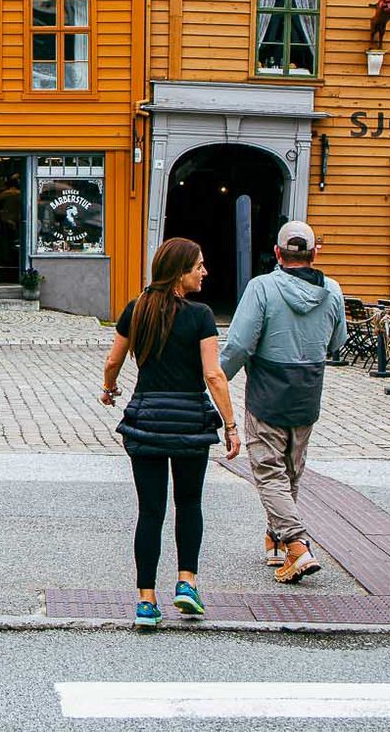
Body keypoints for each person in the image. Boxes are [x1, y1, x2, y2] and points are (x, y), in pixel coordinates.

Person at [103, 237, 240, 628]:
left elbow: (113, 361)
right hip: (189, 423)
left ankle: (146, 601)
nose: (204, 272)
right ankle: (186, 583)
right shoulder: (200, 316)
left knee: (150, 511)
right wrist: (230, 425)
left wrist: (109, 390)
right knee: (189, 504)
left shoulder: (136, 310)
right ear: (180, 272)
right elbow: (213, 375)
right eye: (199, 265)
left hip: (145, 419)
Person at [219, 219, 347, 584]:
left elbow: (240, 344)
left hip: (267, 390)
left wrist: (217, 381)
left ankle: (295, 543)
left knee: (269, 470)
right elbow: (338, 341)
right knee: (291, 469)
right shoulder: (332, 290)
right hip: (308, 389)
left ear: (277, 253)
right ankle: (275, 541)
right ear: (314, 253)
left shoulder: (262, 288)